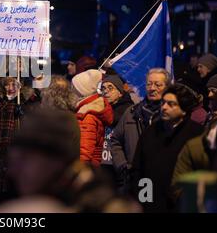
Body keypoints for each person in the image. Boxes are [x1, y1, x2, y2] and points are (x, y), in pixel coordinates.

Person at [7, 109, 139, 213]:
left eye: (24, 160)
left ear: (55, 160)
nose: (14, 171)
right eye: (14, 162)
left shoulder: (107, 206)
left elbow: (86, 151)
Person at [131, 83, 205, 213]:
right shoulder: (151, 131)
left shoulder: (197, 134)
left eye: (171, 104)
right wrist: (145, 200)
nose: (164, 107)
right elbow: (139, 168)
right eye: (163, 103)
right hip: (151, 205)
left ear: (184, 109)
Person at [0, 76, 39, 205]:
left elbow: (35, 131)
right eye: (7, 85)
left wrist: (23, 113)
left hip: (19, 158)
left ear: (20, 86)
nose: (11, 88)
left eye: (14, 84)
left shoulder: (28, 105)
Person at [110, 68, 170, 191]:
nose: (152, 88)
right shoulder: (132, 112)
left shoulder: (171, 114)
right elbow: (115, 140)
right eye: (149, 84)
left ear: (168, 87)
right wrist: (122, 166)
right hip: (134, 180)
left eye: (158, 85)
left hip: (162, 182)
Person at [171, 74, 217, 199]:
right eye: (209, 91)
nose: (210, 96)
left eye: (214, 91)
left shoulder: (200, 117)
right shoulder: (207, 124)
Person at [71, 69, 113, 165]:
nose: (71, 91)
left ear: (82, 91)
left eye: (74, 88)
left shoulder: (87, 116)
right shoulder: (88, 110)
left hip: (85, 169)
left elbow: (83, 152)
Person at [100, 75, 133, 178]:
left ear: (120, 93)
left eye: (110, 88)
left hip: (119, 164)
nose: (106, 91)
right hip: (102, 163)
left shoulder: (129, 111)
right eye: (103, 88)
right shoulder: (100, 108)